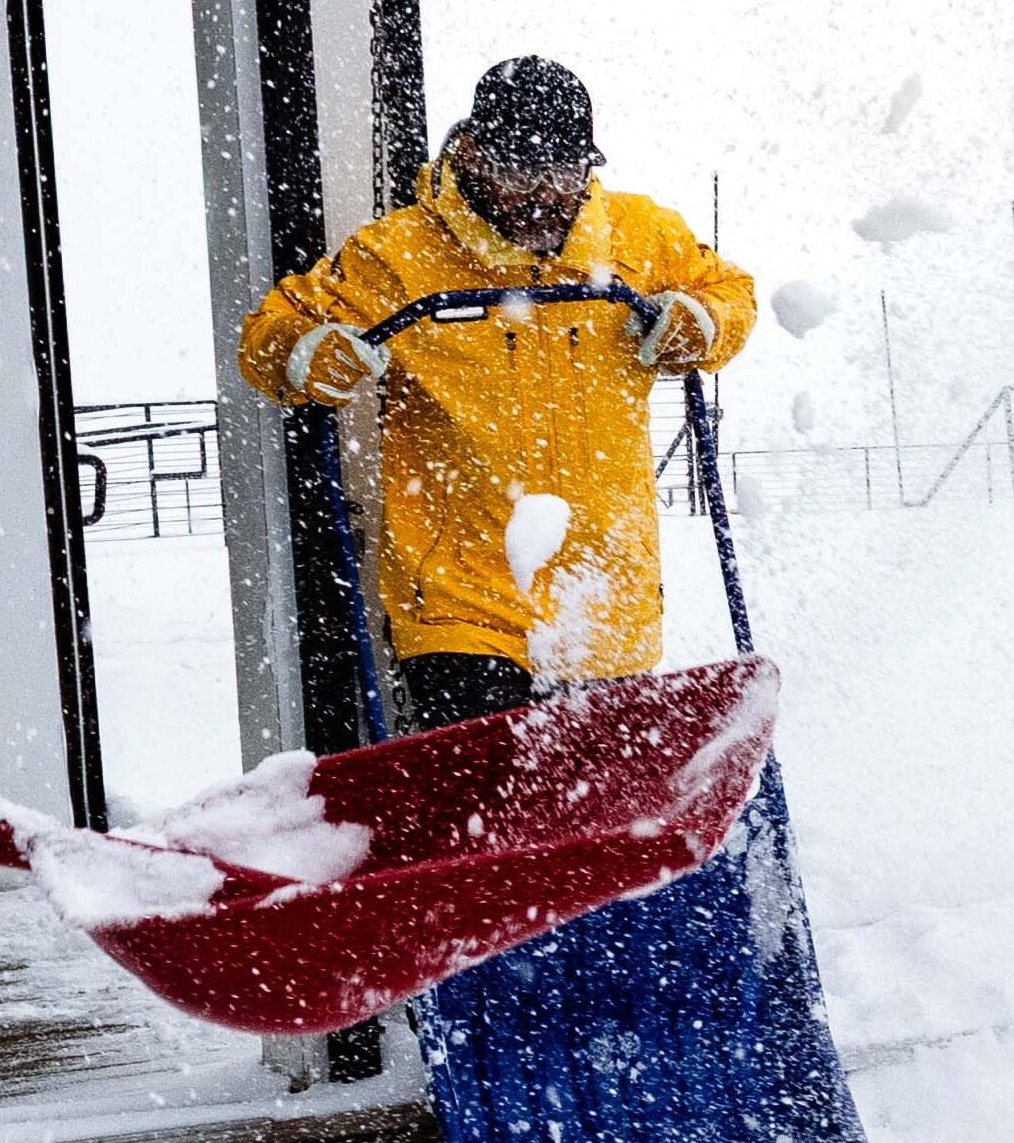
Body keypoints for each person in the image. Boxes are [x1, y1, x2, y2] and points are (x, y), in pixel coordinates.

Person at [228, 55, 759, 723]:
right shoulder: (400, 256)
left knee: (590, 810)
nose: (543, 192)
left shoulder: (641, 237)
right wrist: (310, 354)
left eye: (564, 172)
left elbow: (730, 292)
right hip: (461, 606)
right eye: (519, 172)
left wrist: (698, 323)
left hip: (602, 597)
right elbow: (270, 333)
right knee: (489, 808)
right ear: (475, 155)